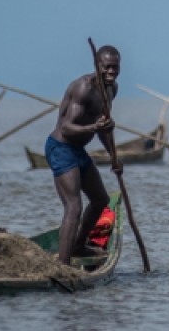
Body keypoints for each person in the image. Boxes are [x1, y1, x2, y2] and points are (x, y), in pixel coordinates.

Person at [45, 44, 121, 265]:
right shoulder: (83, 88)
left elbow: (104, 130)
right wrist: (93, 128)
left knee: (100, 200)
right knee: (74, 206)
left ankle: (78, 245)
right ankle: (63, 265)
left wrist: (114, 158)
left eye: (115, 68)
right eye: (106, 67)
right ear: (97, 65)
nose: (111, 72)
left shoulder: (111, 89)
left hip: (78, 150)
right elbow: (67, 127)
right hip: (60, 148)